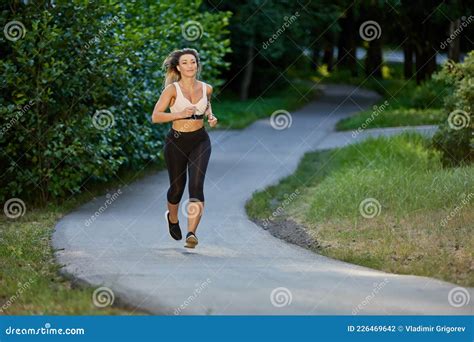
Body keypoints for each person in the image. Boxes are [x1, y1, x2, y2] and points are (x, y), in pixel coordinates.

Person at [151, 48, 218, 248]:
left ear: (197, 65)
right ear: (178, 67)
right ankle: (172, 218)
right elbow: (156, 116)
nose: (190, 66)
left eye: (193, 62)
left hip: (200, 141)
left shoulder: (207, 88)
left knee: (196, 186)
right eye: (185, 63)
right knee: (177, 188)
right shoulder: (172, 90)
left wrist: (211, 117)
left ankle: (192, 233)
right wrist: (179, 114)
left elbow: (207, 108)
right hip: (176, 142)